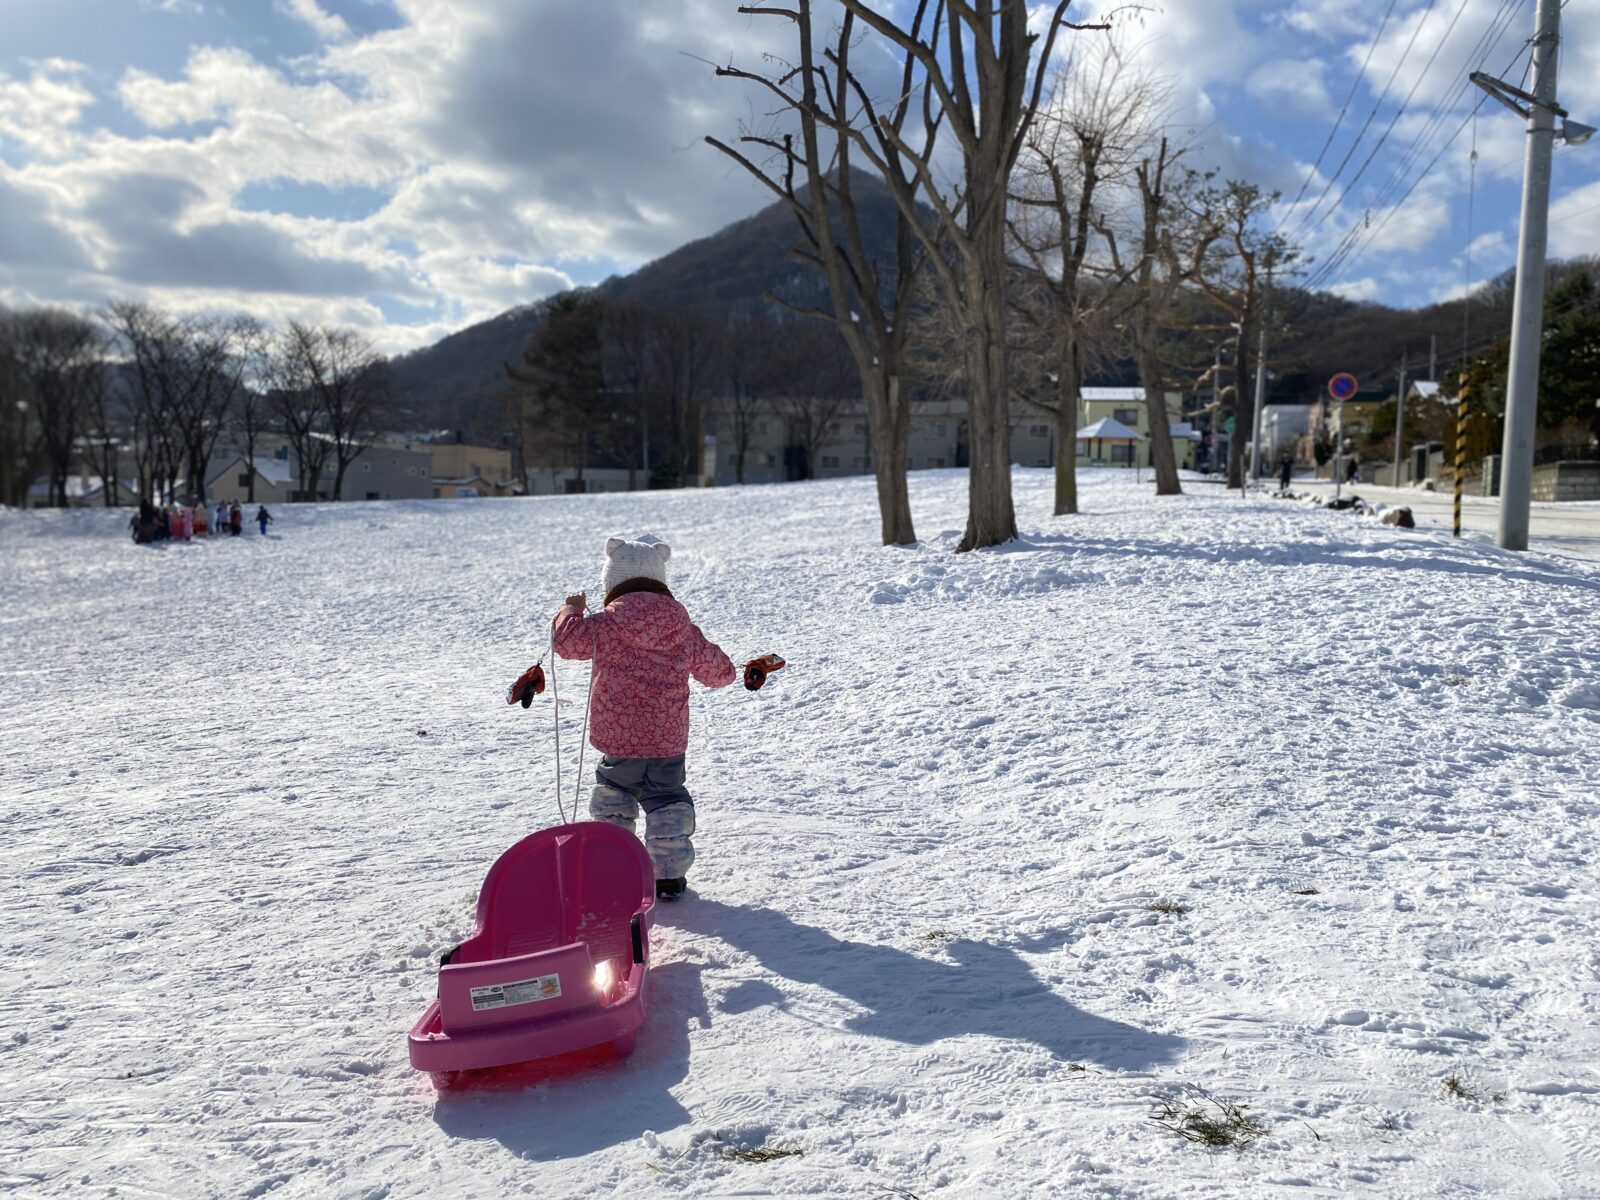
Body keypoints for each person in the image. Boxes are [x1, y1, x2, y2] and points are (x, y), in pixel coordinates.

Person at [518, 535, 736, 900]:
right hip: (666, 740)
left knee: (614, 795)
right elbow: (721, 673)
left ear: (612, 581)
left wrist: (571, 608)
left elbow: (566, 643)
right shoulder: (683, 629)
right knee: (667, 798)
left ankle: (611, 861)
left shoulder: (605, 624)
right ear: (660, 579)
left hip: (617, 738)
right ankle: (668, 874)